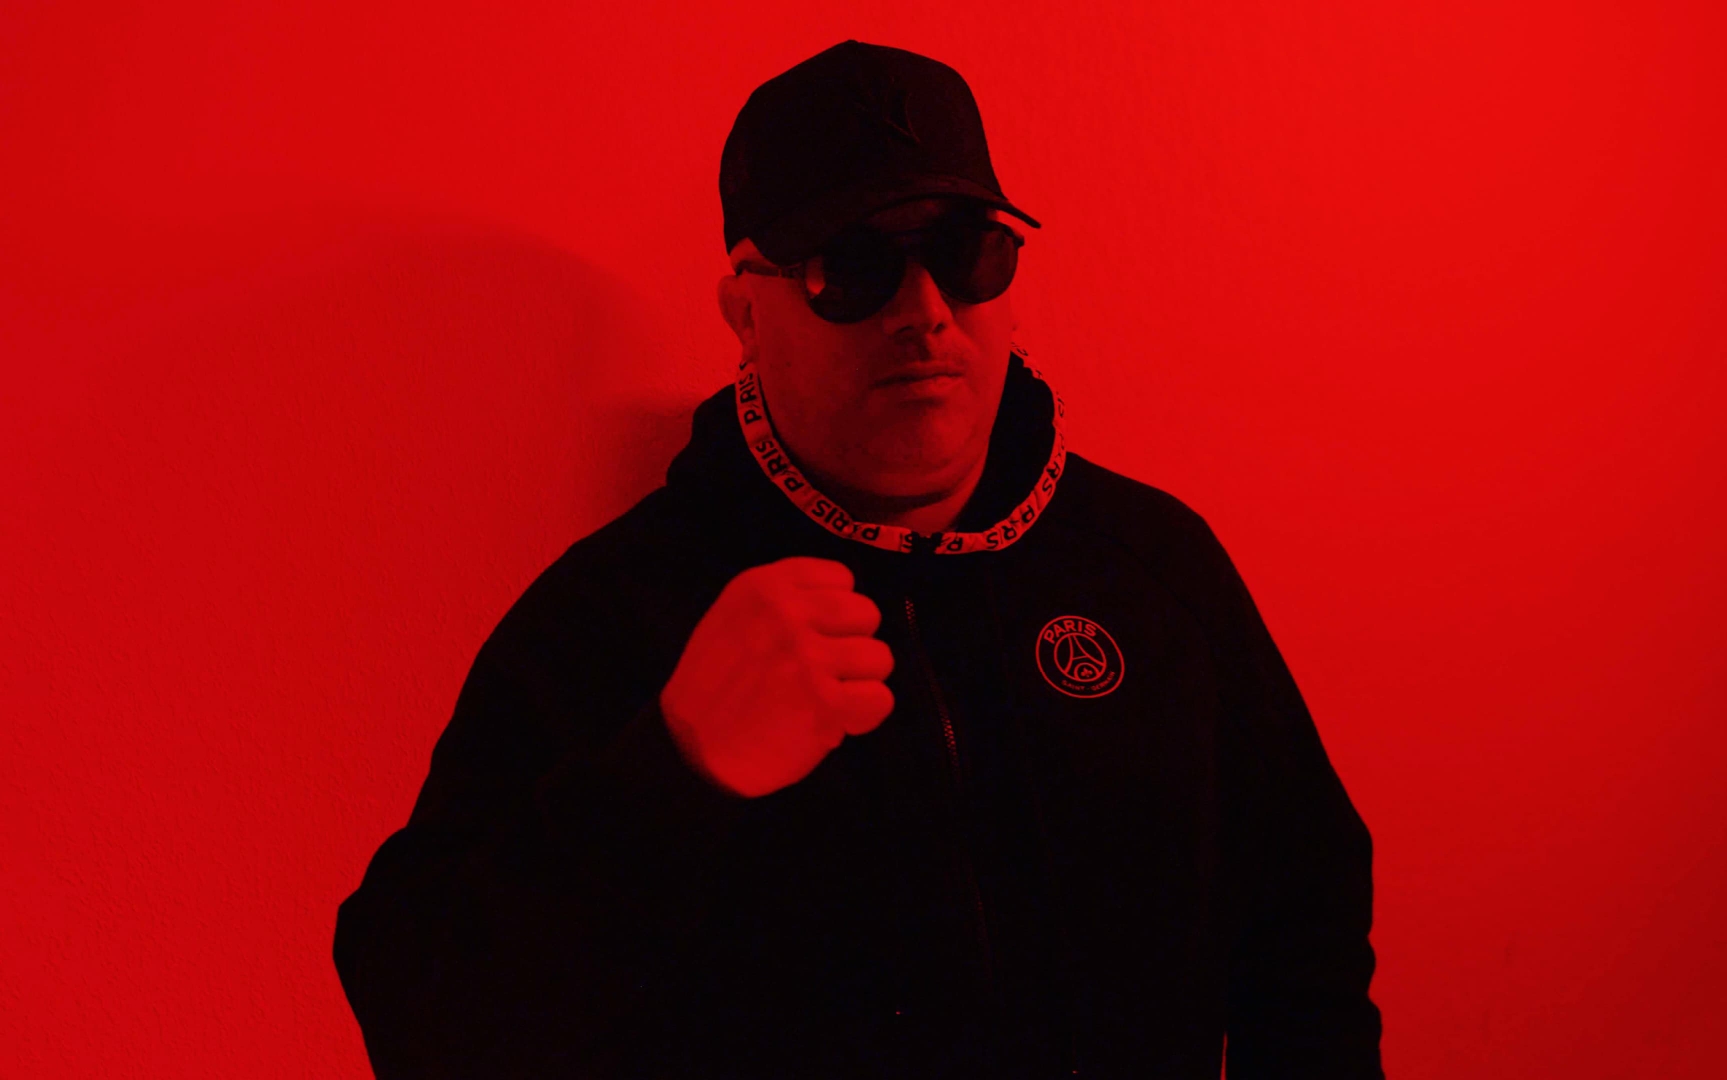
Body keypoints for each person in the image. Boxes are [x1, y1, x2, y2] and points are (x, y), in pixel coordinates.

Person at [334, 39, 1384, 1079]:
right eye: (853, 268)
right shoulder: (614, 616)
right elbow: (423, 1032)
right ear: (745, 312)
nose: (922, 312)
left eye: (967, 252)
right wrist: (675, 772)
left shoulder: (1151, 571)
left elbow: (1306, 936)